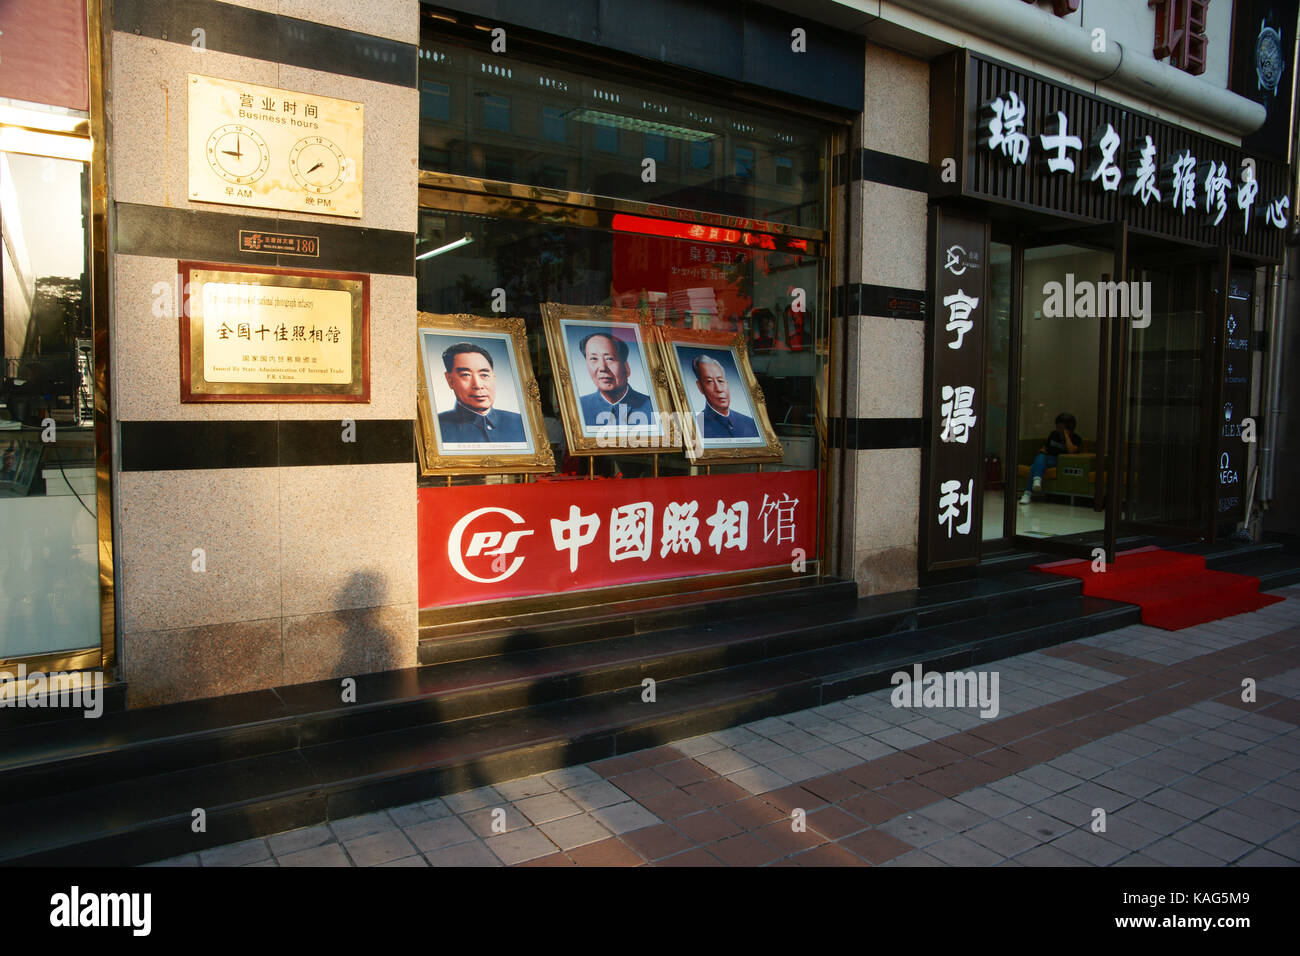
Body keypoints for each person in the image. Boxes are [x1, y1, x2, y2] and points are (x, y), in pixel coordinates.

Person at [436, 342, 527, 444]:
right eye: (466, 375)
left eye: (484, 375)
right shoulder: (436, 427)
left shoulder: (521, 422)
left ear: (493, 378)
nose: (478, 385)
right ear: (449, 380)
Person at [577, 331, 655, 426]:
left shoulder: (653, 407)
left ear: (626, 367)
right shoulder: (577, 407)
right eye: (593, 359)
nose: (602, 368)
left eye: (609, 358)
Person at [1019, 412, 1082, 504]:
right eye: (1058, 427)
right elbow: (1046, 447)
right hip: (1047, 459)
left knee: (1034, 467)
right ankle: (1036, 481)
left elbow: (1071, 451)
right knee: (1040, 456)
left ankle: (1028, 492)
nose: (1059, 430)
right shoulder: (1053, 434)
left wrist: (1066, 436)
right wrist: (1042, 450)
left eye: (1062, 428)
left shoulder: (1076, 438)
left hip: (1060, 461)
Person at [693, 354, 759, 439]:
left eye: (720, 381)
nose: (719, 389)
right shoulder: (694, 426)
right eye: (709, 381)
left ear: (727, 384)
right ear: (700, 387)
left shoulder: (751, 423)